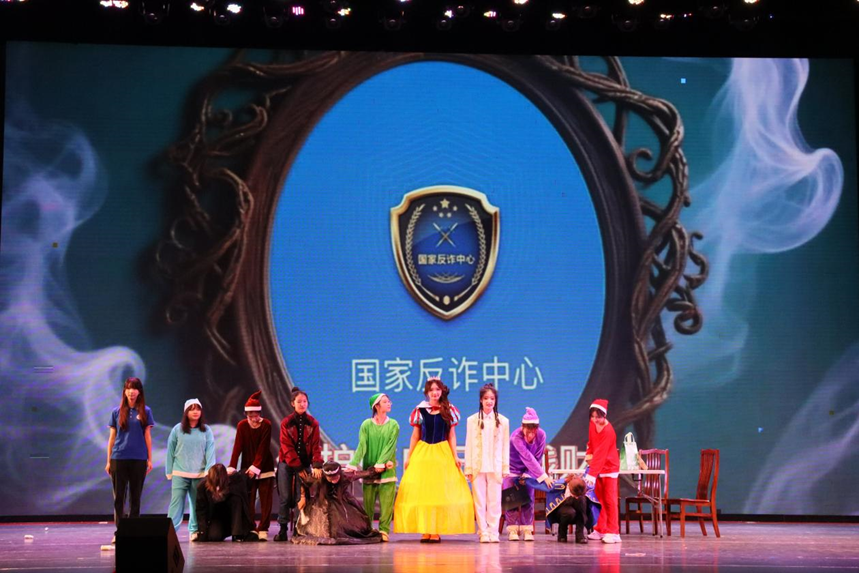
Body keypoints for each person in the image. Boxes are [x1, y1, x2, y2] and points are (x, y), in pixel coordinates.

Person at [393, 377, 474, 542]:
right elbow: (415, 435)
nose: (435, 393)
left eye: (437, 389)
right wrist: (409, 456)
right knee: (423, 493)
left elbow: (451, 435)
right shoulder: (420, 410)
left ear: (442, 391)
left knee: (439, 493)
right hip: (423, 454)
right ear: (427, 393)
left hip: (442, 453)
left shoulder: (449, 410)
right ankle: (426, 529)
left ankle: (436, 530)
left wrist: (455, 456)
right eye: (431, 390)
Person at [105, 376, 155, 544]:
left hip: (139, 459)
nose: (131, 391)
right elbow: (112, 438)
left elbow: (147, 436)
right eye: (128, 388)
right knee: (119, 497)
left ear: (139, 392)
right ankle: (120, 531)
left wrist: (149, 458)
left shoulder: (146, 411)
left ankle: (133, 531)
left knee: (135, 497)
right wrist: (108, 461)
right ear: (124, 391)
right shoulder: (116, 412)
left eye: (134, 388)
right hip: (119, 458)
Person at [291, 461, 385, 545]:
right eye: (330, 477)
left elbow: (363, 474)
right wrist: (302, 497)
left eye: (336, 476)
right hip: (322, 503)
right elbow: (304, 484)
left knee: (351, 523)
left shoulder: (345, 476)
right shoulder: (319, 477)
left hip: (342, 502)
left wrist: (376, 470)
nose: (334, 479)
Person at [347, 393, 399, 542]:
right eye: (385, 402)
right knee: (368, 504)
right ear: (376, 406)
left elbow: (390, 446)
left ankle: (384, 530)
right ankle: (368, 529)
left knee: (387, 503)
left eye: (389, 401)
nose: (389, 403)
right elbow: (362, 446)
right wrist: (353, 463)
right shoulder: (366, 425)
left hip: (387, 469)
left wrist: (381, 463)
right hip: (369, 470)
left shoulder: (393, 425)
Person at [275, 387, 323, 541]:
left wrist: (317, 464)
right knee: (285, 497)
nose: (302, 404)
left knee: (301, 496)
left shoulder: (313, 423)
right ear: (292, 403)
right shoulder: (286, 423)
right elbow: (286, 447)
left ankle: (299, 529)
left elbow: (316, 446)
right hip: (287, 463)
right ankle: (282, 529)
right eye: (299, 402)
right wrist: (298, 466)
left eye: (305, 402)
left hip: (304, 464)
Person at [464, 384, 510, 543]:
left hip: (495, 466)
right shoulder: (472, 420)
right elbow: (469, 444)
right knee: (479, 501)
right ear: (481, 400)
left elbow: (505, 446)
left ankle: (493, 532)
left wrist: (505, 467)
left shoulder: (503, 421)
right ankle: (483, 531)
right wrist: (468, 467)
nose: (489, 401)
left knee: (495, 501)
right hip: (478, 466)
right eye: (486, 398)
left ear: (495, 400)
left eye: (492, 398)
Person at [228, 391, 275, 540]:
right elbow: (237, 447)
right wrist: (232, 466)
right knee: (249, 499)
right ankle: (251, 527)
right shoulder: (242, 426)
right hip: (247, 467)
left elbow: (263, 448)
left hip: (265, 466)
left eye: (256, 415)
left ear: (260, 413)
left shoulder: (266, 424)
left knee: (266, 499)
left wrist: (256, 467)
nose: (254, 418)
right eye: (251, 415)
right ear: (246, 414)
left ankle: (263, 528)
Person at [166, 398, 216, 541]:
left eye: (198, 409)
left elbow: (210, 451)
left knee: (196, 504)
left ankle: (194, 529)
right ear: (186, 412)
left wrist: (209, 472)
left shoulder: (206, 430)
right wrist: (169, 471)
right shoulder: (177, 429)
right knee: (176, 503)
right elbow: (170, 451)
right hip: (179, 472)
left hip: (199, 474)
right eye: (192, 409)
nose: (195, 412)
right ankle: (170, 531)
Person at [502, 407, 550, 541]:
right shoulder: (515, 437)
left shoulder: (541, 435)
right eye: (528, 431)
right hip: (512, 469)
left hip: (529, 470)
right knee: (511, 498)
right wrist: (543, 476)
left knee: (528, 498)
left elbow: (537, 457)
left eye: (533, 431)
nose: (530, 434)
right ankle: (512, 529)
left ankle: (527, 529)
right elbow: (527, 456)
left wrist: (529, 474)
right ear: (522, 427)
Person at [585, 399, 621, 544]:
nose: (595, 420)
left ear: (604, 415)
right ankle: (600, 529)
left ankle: (614, 532)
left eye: (598, 417)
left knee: (609, 500)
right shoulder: (592, 424)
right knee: (600, 500)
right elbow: (591, 443)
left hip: (609, 467)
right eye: (593, 416)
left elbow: (601, 454)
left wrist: (591, 474)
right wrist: (588, 453)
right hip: (598, 466)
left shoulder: (608, 431)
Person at [194, 464, 260, 542]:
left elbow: (243, 475)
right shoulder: (202, 487)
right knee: (214, 537)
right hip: (216, 516)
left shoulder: (233, 481)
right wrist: (202, 531)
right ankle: (225, 530)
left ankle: (237, 534)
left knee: (236, 499)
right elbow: (200, 510)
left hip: (231, 514)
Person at [545, 474, 589, 543]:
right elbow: (550, 485)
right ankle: (562, 534)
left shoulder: (581, 485)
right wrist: (565, 481)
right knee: (569, 512)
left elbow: (591, 485)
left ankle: (580, 535)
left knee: (582, 502)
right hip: (563, 508)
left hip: (578, 510)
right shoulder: (561, 484)